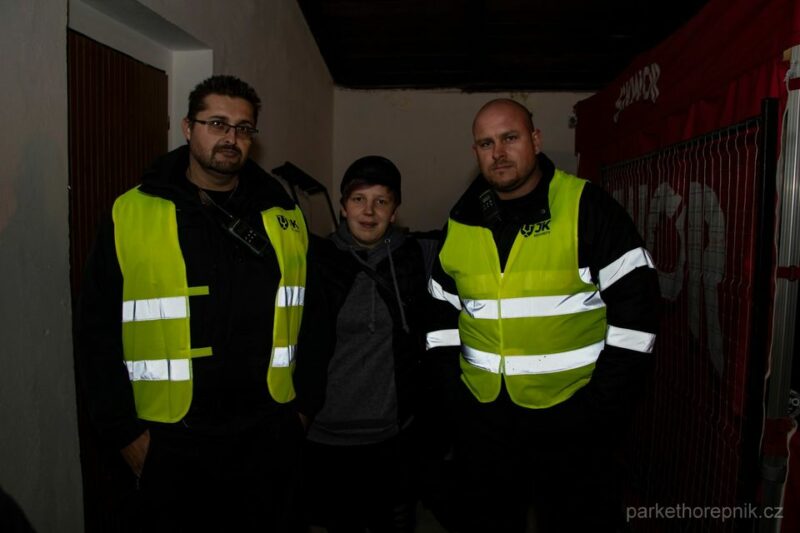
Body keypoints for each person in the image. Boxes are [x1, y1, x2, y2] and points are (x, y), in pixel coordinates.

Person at [76, 75, 328, 532]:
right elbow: (96, 329)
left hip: (268, 435)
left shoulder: (283, 214)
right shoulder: (132, 211)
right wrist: (124, 433)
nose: (231, 137)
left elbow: (314, 318)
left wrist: (303, 410)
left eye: (243, 128)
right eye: (217, 123)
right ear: (188, 127)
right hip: (171, 439)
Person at [425, 98, 659, 533]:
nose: (498, 153)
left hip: (572, 420)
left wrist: (599, 409)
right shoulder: (461, 220)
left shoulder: (586, 206)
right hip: (484, 420)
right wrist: (455, 396)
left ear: (535, 140)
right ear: (475, 152)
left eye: (510, 138)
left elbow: (637, 318)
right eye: (486, 143)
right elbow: (439, 313)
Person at [302, 156, 439, 533]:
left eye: (381, 201)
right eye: (359, 199)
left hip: (393, 436)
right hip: (326, 436)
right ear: (343, 207)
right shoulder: (316, 261)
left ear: (394, 212)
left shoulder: (417, 257)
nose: (369, 211)